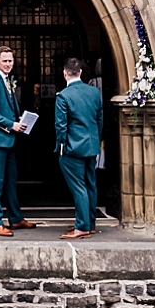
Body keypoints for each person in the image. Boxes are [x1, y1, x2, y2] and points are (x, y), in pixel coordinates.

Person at [0, 45, 35, 236]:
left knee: (11, 180)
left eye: (11, 61)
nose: (8, 64)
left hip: (9, 139)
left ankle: (16, 218)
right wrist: (11, 124)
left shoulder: (7, 80)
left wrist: (18, 122)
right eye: (5, 61)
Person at [53, 55, 102, 239]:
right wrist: (95, 139)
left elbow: (61, 125)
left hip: (72, 147)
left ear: (64, 74)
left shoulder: (63, 96)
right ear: (80, 72)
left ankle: (81, 227)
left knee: (78, 187)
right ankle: (89, 223)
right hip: (91, 145)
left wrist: (61, 146)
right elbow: (99, 120)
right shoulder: (94, 93)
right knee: (90, 184)